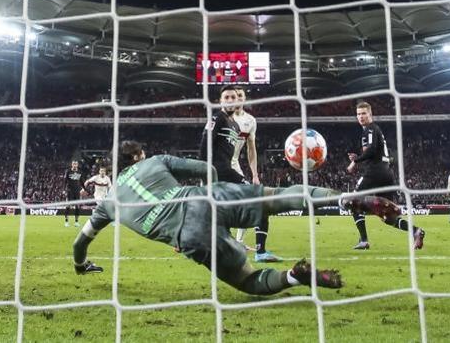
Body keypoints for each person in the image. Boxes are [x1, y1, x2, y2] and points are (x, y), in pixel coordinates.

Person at [72, 140, 407, 294]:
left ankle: (294, 276)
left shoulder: (107, 203)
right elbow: (206, 168)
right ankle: (347, 200)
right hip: (203, 196)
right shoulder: (155, 160)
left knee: (247, 280)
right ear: (139, 156)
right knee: (278, 197)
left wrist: (80, 265)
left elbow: (81, 240)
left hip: (187, 235)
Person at [200, 86, 279, 262]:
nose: (231, 100)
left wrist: (254, 174)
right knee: (257, 202)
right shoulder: (217, 118)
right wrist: (206, 174)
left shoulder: (236, 124)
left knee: (219, 212)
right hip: (219, 172)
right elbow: (204, 148)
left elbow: (247, 149)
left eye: (233, 97)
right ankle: (258, 251)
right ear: (221, 100)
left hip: (229, 169)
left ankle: (242, 247)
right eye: (226, 97)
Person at [346, 101, 426, 250]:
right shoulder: (375, 130)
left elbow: (371, 149)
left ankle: (363, 240)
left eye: (364, 113)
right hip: (386, 173)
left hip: (374, 172)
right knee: (388, 216)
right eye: (358, 114)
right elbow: (373, 152)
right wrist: (360, 157)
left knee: (353, 202)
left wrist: (356, 161)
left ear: (370, 114)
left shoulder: (369, 130)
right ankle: (416, 231)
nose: (361, 117)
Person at [63, 160, 86, 228]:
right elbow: (65, 181)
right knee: (68, 206)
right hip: (70, 191)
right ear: (72, 164)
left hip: (77, 192)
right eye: (73, 164)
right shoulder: (68, 171)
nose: (75, 165)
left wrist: (85, 189)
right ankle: (66, 221)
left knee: (77, 206)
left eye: (76, 164)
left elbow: (82, 182)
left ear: (77, 165)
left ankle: (76, 222)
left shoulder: (80, 172)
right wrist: (64, 190)